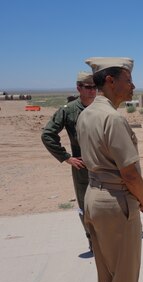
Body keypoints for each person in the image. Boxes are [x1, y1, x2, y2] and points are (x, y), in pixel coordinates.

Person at [76, 57, 143, 282]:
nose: (133, 86)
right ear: (110, 81)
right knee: (125, 277)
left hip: (93, 199)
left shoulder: (86, 114)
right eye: (128, 80)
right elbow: (129, 173)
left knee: (107, 275)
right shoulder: (113, 119)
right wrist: (142, 198)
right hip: (116, 205)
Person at [41, 71, 97, 251]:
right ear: (79, 88)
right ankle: (92, 240)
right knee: (86, 206)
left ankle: (109, 239)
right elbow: (48, 135)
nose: (92, 91)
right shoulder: (68, 110)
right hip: (83, 168)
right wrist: (66, 158)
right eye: (88, 87)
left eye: (95, 87)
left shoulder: (101, 108)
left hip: (106, 166)